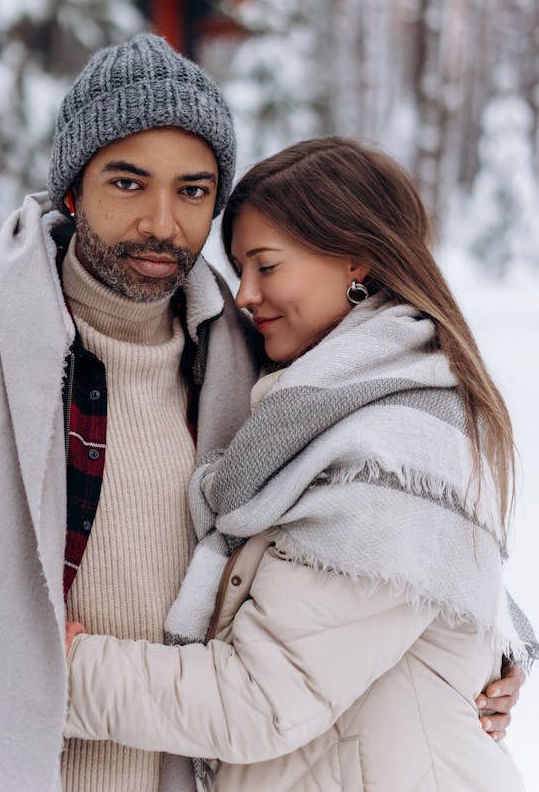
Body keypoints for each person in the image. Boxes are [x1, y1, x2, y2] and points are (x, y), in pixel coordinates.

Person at [0, 36, 524, 792]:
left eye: (194, 191)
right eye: (129, 183)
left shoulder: (260, 360)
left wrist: (484, 642)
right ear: (73, 187)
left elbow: (387, 525)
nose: (163, 223)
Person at [64, 137, 537, 791]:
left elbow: (263, 696)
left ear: (356, 257)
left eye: (267, 265)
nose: (247, 296)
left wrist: (61, 670)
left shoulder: (391, 444)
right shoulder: (340, 413)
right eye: (238, 269)